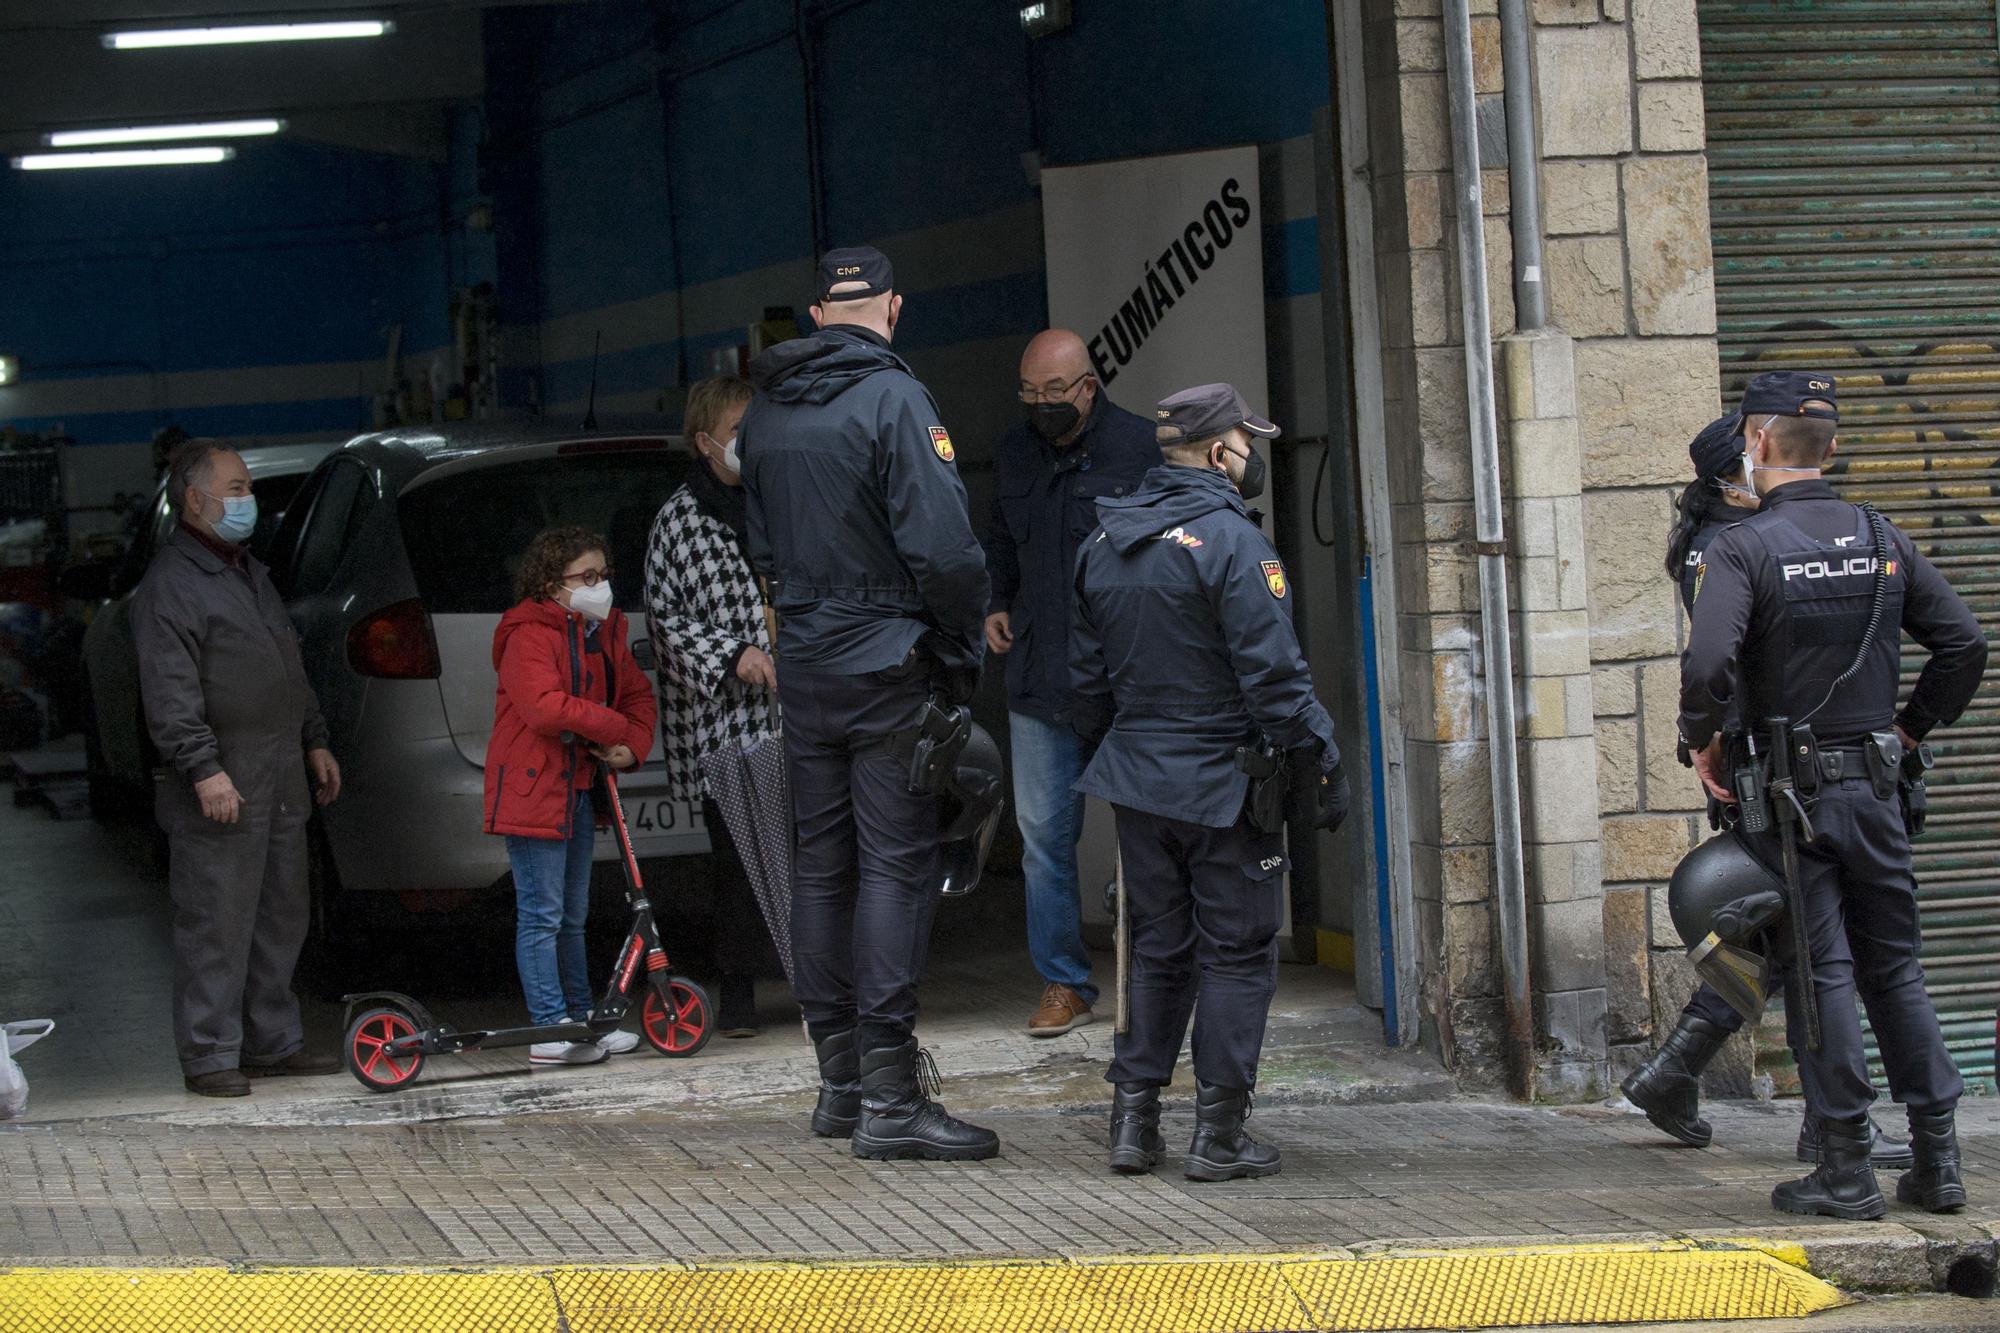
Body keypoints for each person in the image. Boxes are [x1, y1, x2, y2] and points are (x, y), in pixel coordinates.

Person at [1680, 371, 1986, 1219]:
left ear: (1755, 442)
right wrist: (1910, 730)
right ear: (1833, 448)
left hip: (1794, 799)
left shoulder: (1743, 548)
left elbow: (1708, 666)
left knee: (1824, 974)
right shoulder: (1879, 536)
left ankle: (1847, 1168)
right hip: (1877, 790)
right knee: (1897, 967)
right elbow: (1963, 643)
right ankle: (1938, 1163)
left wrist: (1700, 739)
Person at [740, 245, 997, 1161]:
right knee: (893, 865)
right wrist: (962, 641)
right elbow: (946, 551)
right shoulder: (897, 398)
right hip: (892, 660)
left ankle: (839, 1085)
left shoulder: (765, 410)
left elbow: (762, 548)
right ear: (893, 306)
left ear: (815, 313)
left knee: (823, 866)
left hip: (807, 665)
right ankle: (892, 1100)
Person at [1071, 383, 1348, 1181]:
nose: (1251, 455)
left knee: (1156, 948)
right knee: (1236, 952)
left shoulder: (1106, 539)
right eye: (1244, 441)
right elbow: (1276, 680)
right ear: (1218, 451)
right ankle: (1218, 1133)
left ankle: (1134, 1122)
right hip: (1227, 784)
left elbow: (1085, 682)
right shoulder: (1233, 544)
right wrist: (1322, 756)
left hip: (1140, 783)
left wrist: (1126, 754)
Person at [1627, 415, 1912, 1173]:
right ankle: (1830, 1125)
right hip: (1767, 771)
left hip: (1766, 767)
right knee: (1816, 946)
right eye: (1758, 454)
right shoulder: (1728, 547)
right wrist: (1708, 743)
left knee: (1790, 941)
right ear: (1737, 472)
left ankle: (1681, 1073)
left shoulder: (1723, 539)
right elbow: (1720, 664)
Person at [133, 439, 343, 1097]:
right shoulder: (172, 584)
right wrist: (202, 766)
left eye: (247, 487)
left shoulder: (248, 570)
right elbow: (169, 691)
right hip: (222, 775)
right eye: (236, 488)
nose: (247, 499)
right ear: (195, 500)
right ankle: (208, 1053)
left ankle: (270, 1042)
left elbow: (287, 664)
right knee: (216, 920)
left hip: (278, 768)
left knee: (282, 912)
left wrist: (314, 738)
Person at [983, 329, 1158, 1037]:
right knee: (1042, 839)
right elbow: (1000, 536)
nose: (1041, 405)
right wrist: (996, 599)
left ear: (1088, 385)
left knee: (1148, 834)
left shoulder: (1141, 449)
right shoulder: (1016, 450)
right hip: (1038, 680)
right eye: (1030, 393)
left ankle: (1154, 972)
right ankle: (1064, 980)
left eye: (1054, 391)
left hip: (1123, 683)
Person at [485, 526, 658, 1066]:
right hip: (534, 791)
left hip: (577, 788)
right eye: (587, 576)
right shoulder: (527, 634)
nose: (599, 585)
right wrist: (613, 728)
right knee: (542, 914)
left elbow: (636, 694)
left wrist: (632, 743)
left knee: (572, 915)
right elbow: (545, 706)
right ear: (551, 583)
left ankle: (586, 1021)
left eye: (604, 574)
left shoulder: (601, 630)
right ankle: (547, 1024)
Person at [643, 374, 780, 1037]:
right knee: (737, 863)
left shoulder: (781, 497)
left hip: (794, 714)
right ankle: (740, 992)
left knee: (804, 853)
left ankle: (820, 981)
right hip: (723, 724)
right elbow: (663, 624)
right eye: (736, 431)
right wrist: (731, 654)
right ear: (705, 442)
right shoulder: (678, 520)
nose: (750, 443)